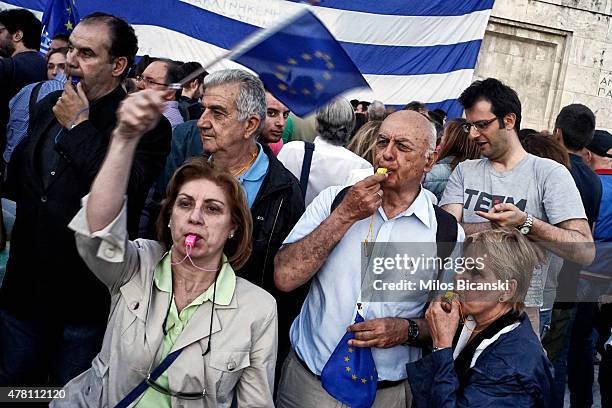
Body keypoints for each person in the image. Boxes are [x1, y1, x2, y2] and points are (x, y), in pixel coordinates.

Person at [51, 88, 277, 407]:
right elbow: (98, 230)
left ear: (232, 228)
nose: (195, 217)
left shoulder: (259, 308)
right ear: (169, 217)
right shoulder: (137, 264)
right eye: (185, 204)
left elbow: (255, 403)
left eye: (213, 209)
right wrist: (125, 138)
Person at [0, 13, 172, 387]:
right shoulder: (49, 107)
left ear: (118, 65)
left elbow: (125, 190)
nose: (72, 60)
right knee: (14, 391)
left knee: (70, 396)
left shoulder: (145, 125)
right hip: (23, 294)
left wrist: (79, 127)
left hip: (82, 303)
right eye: (71, 48)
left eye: (87, 53)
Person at [274, 110, 464, 408]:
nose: (387, 155)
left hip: (385, 394)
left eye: (402, 147)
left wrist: (406, 330)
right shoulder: (334, 201)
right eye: (382, 142)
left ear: (430, 160)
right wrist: (344, 216)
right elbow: (285, 277)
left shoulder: (446, 233)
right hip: (309, 384)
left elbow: (446, 317)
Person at [439, 78, 594, 335]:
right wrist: (494, 225)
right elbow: (445, 233)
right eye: (470, 126)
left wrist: (526, 224)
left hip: (521, 315)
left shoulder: (549, 174)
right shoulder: (465, 171)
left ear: (508, 121)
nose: (474, 134)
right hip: (459, 307)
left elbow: (584, 250)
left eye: (482, 125)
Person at [407, 228, 553, 407]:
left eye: (475, 272)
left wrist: (442, 346)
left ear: (507, 290)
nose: (458, 277)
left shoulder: (512, 365)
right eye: (462, 266)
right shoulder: (470, 319)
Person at [278, 97, 373, 206]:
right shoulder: (362, 166)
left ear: (317, 121)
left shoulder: (292, 150)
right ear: (351, 125)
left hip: (290, 222)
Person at [3, 47, 69, 163]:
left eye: (62, 66)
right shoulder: (66, 94)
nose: (54, 72)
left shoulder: (27, 89)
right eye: (50, 66)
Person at [0, 8, 47, 160]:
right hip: (33, 156)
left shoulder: (7, 67)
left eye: (0, 31)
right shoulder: (49, 67)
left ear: (17, 35)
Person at [423, 118, 481, 201]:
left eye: (443, 135)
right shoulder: (480, 175)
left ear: (451, 141)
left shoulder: (430, 174)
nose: (440, 139)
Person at [136, 58, 184, 129]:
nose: (139, 85)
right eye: (141, 78)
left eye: (150, 81)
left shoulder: (168, 122)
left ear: (170, 93)